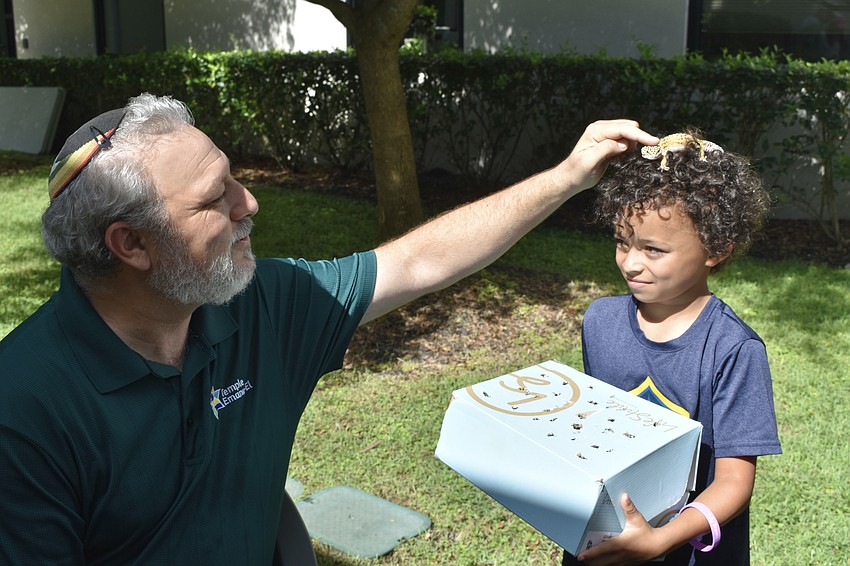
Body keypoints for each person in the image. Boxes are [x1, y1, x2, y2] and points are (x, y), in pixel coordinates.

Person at [0, 92, 657, 564]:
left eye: (235, 177)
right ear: (132, 244)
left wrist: (569, 177)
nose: (247, 203)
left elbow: (417, 260)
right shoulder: (23, 407)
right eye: (213, 198)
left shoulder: (260, 303)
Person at [562, 132, 782, 566]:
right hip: (601, 539)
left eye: (653, 249)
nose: (630, 262)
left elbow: (735, 482)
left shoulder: (733, 349)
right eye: (622, 241)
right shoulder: (600, 321)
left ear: (716, 249)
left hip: (689, 551)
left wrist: (659, 541)